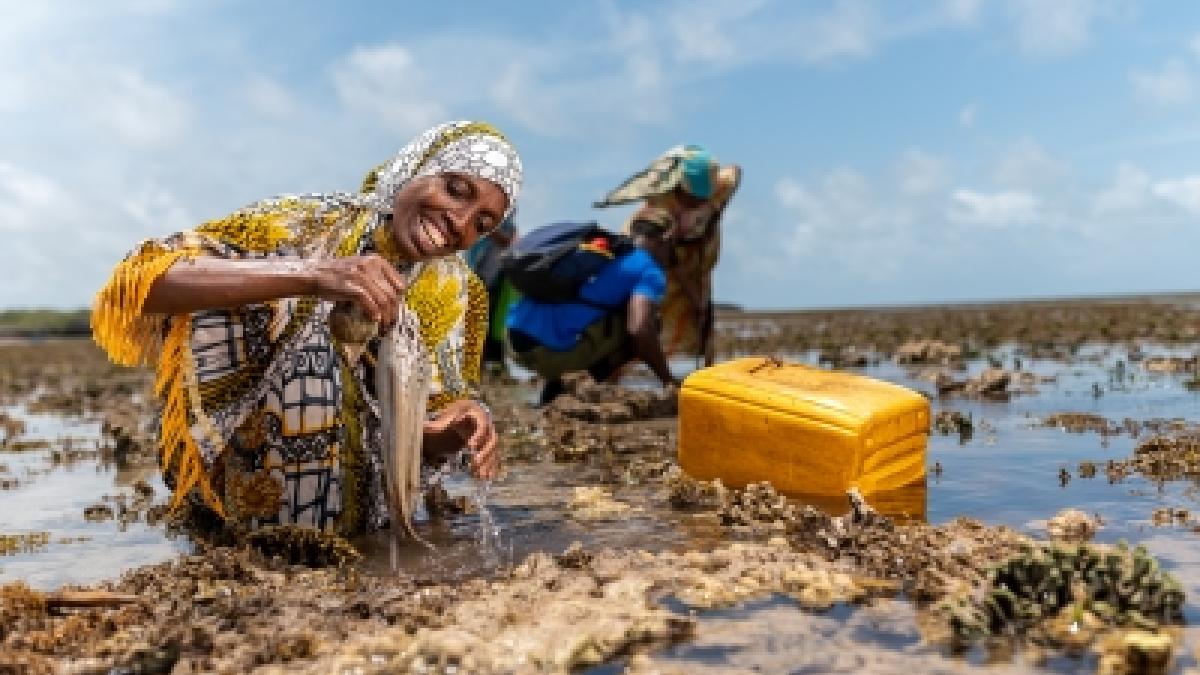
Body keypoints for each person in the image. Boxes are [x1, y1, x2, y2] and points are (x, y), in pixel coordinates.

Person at [90, 120, 521, 535]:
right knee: (301, 317)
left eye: (482, 225)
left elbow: (422, 439)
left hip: (367, 518)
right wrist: (315, 276)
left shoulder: (456, 290)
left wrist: (457, 429)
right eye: (456, 190)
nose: (460, 224)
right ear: (414, 168)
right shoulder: (310, 222)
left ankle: (348, 530)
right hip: (243, 495)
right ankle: (245, 512)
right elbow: (140, 282)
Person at [594, 145, 741, 367]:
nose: (700, 204)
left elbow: (735, 171)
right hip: (666, 268)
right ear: (680, 188)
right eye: (693, 200)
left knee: (700, 325)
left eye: (704, 199)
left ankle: (699, 375)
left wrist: (717, 211)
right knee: (647, 321)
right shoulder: (661, 207)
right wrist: (692, 293)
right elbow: (668, 257)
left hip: (698, 268)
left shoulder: (719, 186)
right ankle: (641, 369)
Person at [505, 219, 679, 406]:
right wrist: (669, 381)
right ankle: (570, 387)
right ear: (665, 240)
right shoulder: (649, 269)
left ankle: (554, 389)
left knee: (592, 312)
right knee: (651, 323)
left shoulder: (602, 250)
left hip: (512, 340)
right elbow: (639, 330)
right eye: (674, 251)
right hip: (544, 353)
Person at [464, 210, 517, 374]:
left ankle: (480, 368)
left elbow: (510, 243)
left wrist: (491, 229)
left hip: (492, 279)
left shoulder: (508, 226)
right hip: (475, 276)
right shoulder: (478, 220)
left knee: (485, 325)